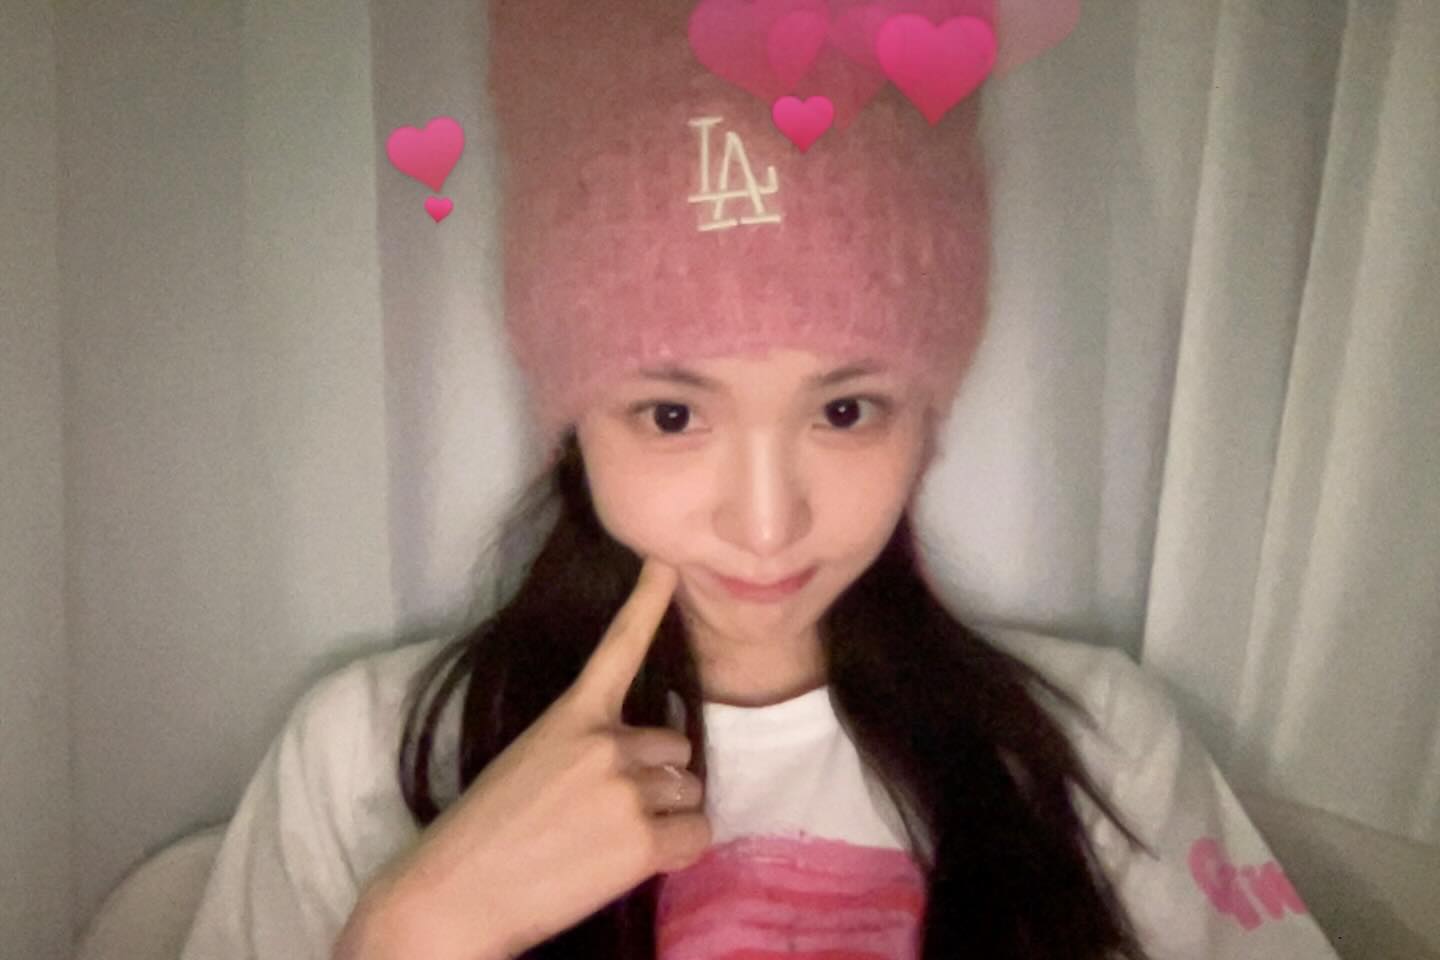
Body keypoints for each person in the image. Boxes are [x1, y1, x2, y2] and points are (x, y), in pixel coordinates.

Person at [179, 1, 1345, 957]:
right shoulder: (367, 756)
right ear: (572, 420)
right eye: (672, 414)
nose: (767, 521)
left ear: (926, 415)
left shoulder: (1096, 748)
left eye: (845, 410)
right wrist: (416, 934)